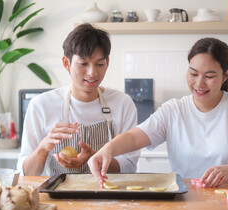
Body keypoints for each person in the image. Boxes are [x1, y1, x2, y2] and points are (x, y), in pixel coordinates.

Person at [88, 37, 228, 188]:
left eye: (209, 76)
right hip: (186, 200)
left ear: (225, 75)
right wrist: (108, 150)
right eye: (193, 74)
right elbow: (134, 137)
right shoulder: (174, 110)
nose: (199, 84)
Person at [17, 23, 139, 176]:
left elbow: (129, 165)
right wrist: (43, 148)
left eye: (99, 64)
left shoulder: (122, 104)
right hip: (58, 198)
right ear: (66, 63)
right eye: (83, 64)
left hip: (107, 197)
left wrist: (95, 158)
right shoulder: (41, 105)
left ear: (107, 63)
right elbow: (27, 173)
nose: (92, 73)